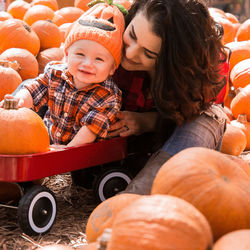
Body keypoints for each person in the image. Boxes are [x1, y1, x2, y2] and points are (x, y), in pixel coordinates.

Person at [108, 0, 229, 195]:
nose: (129, 53)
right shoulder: (108, 37)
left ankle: (136, 201)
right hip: (123, 146)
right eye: (131, 35)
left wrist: (149, 121)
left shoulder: (194, 74)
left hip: (175, 133)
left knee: (206, 118)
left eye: (148, 53)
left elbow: (188, 112)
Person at [1, 2, 125, 148]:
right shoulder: (56, 73)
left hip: (81, 150)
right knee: (25, 87)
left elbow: (91, 130)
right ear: (66, 54)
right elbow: (34, 89)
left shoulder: (108, 96)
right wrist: (19, 101)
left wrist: (67, 150)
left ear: (112, 68)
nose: (87, 64)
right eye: (80, 54)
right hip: (49, 136)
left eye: (99, 59)